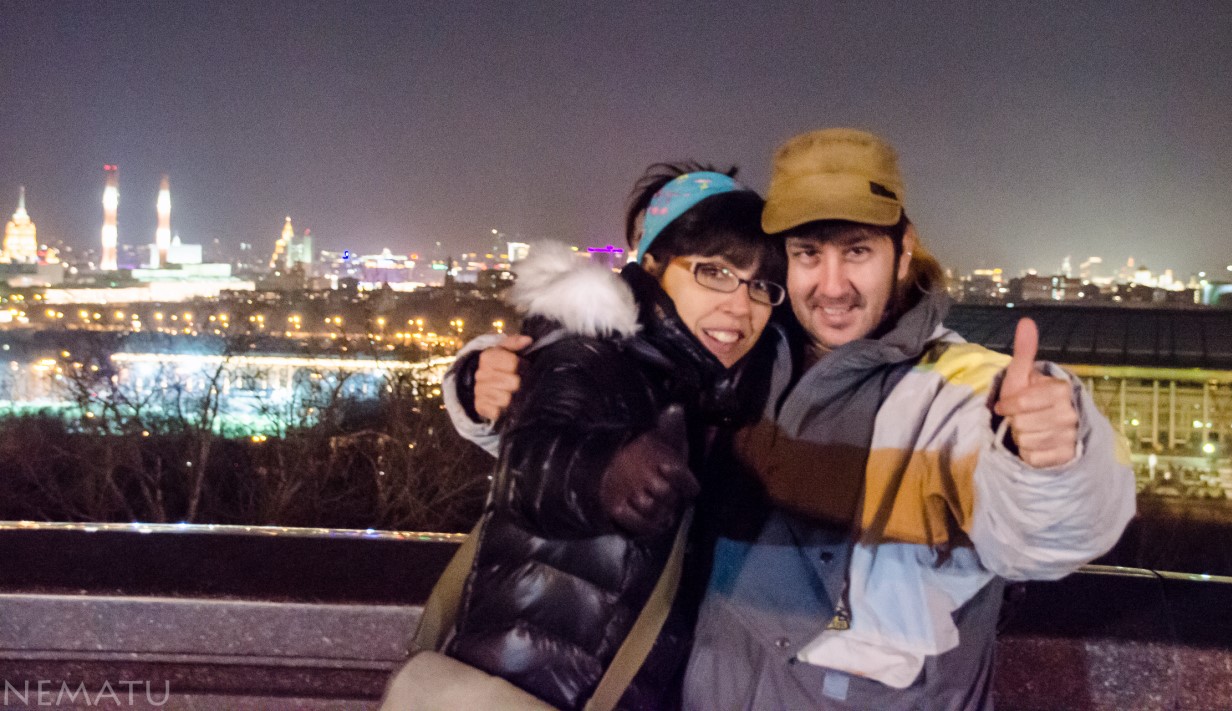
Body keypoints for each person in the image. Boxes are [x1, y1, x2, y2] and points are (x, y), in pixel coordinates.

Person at [458, 128, 1136, 709]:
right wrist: (485, 381)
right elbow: (591, 426)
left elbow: (1045, 539)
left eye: (858, 251)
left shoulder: (953, 388)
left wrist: (1050, 460)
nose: (832, 286)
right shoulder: (742, 362)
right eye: (808, 254)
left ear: (903, 251)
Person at [436, 163, 785, 710]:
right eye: (713, 272)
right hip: (529, 690)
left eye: (760, 286)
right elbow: (534, 467)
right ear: (652, 266)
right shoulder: (591, 352)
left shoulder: (709, 385)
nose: (740, 305)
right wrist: (604, 473)